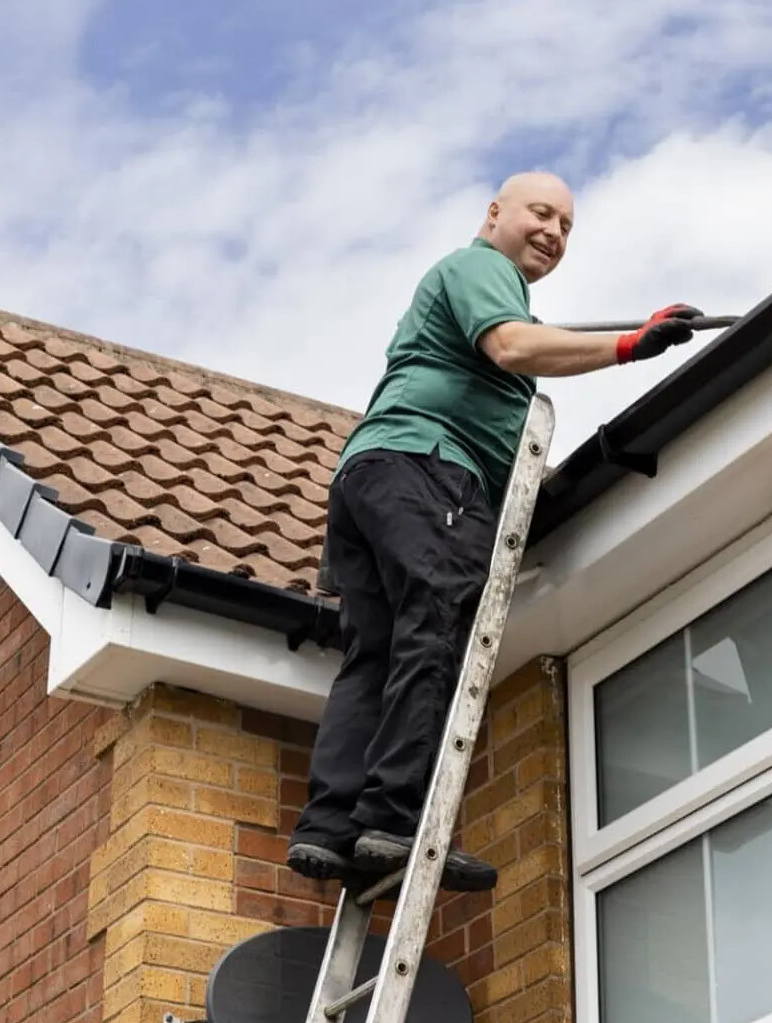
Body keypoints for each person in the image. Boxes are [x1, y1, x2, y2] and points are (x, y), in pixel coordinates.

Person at [286, 172, 703, 891]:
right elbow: (514, 346)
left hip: (372, 475)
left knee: (374, 652)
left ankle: (328, 828)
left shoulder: (472, 285)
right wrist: (630, 345)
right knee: (434, 628)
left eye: (567, 226)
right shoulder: (481, 267)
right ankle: (394, 821)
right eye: (542, 214)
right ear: (494, 214)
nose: (554, 233)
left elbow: (521, 344)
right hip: (430, 468)